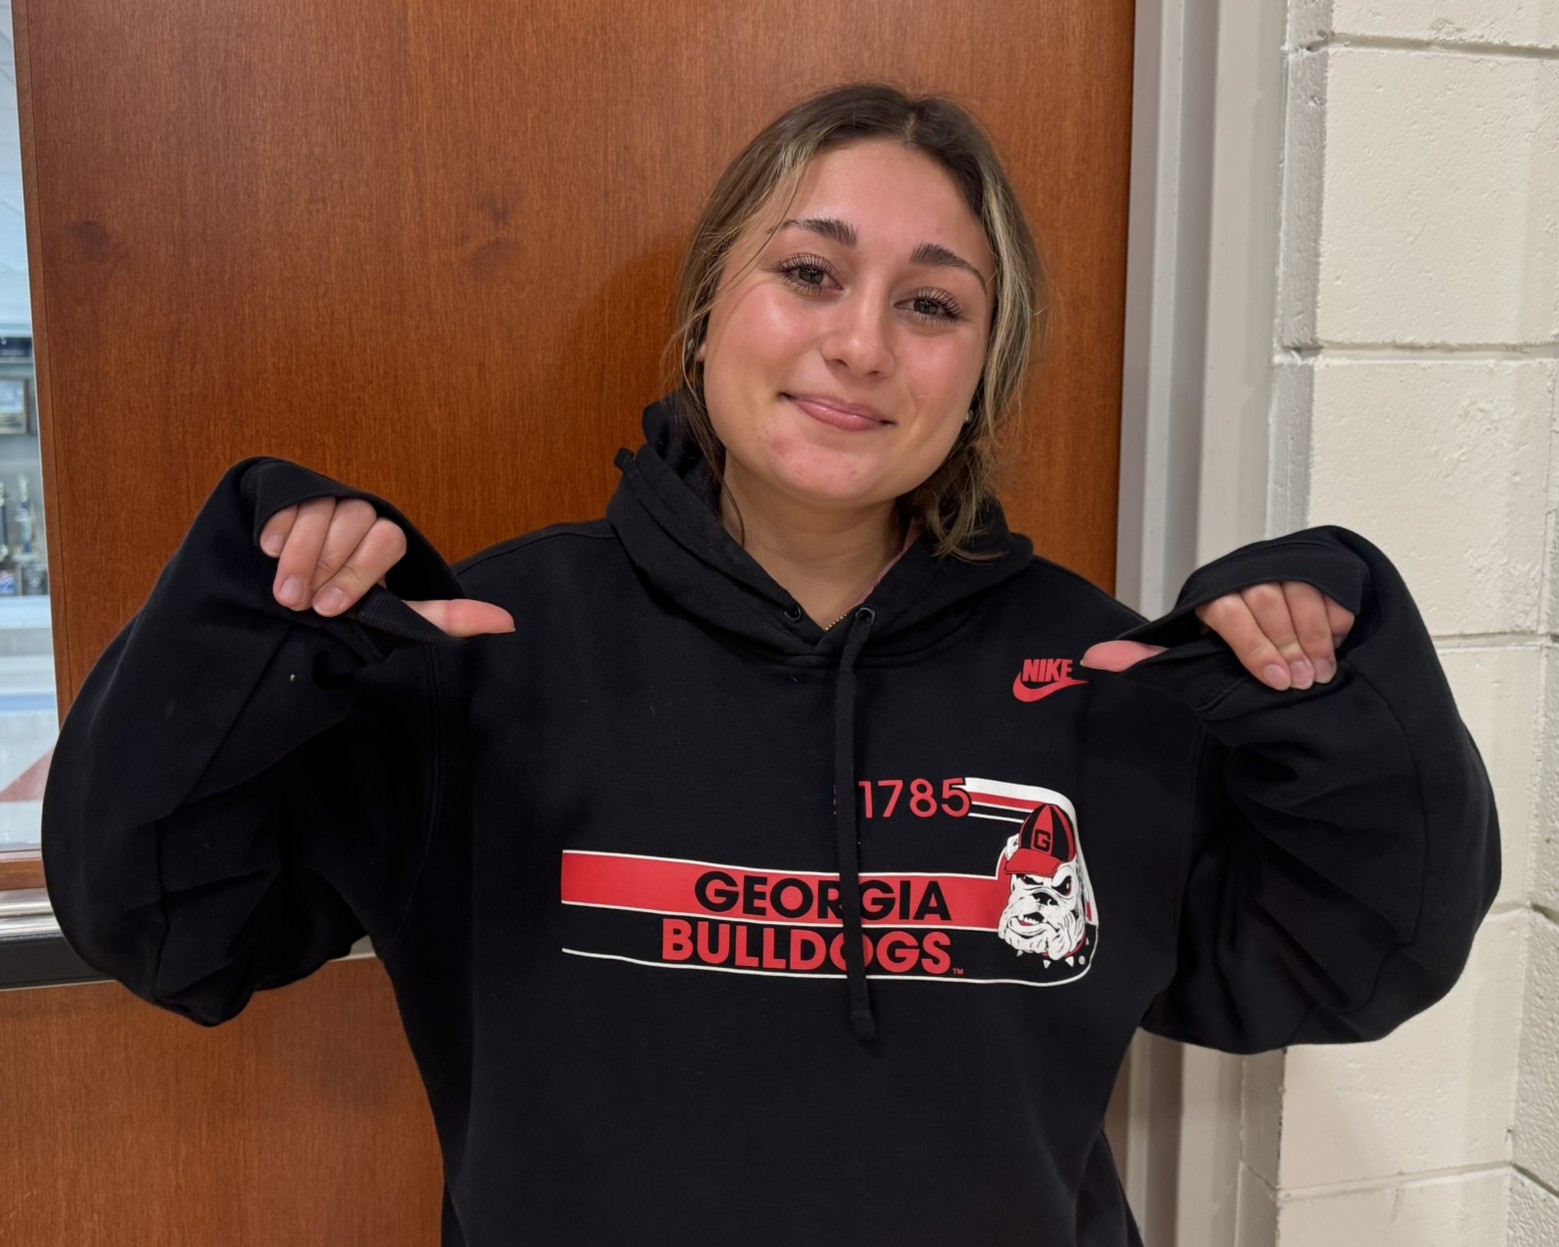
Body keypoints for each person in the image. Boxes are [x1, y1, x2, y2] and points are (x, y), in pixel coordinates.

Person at [42, 84, 1498, 1246]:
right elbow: (161, 926)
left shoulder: (1102, 672)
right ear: (704, 318)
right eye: (808, 273)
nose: (860, 342)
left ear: (982, 369)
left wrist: (1328, 691)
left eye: (932, 304)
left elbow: (1353, 960)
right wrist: (251, 632)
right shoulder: (488, 648)